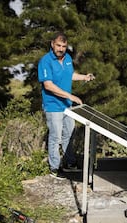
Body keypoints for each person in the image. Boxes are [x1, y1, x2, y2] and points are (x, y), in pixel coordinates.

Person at [38, 31, 95, 178]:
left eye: (64, 46)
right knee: (55, 137)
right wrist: (71, 96)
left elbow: (69, 75)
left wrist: (84, 77)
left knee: (69, 135)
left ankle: (69, 163)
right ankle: (55, 168)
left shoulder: (68, 58)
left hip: (67, 106)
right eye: (58, 45)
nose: (61, 49)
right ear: (52, 44)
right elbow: (49, 85)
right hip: (53, 106)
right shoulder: (46, 61)